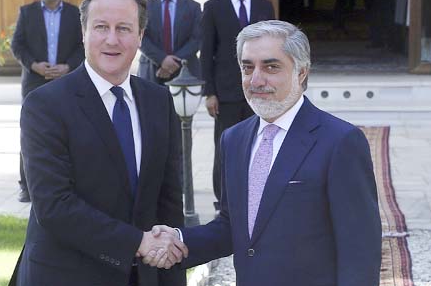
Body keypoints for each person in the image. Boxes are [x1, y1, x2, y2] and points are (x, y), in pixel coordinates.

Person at [148, 20, 383, 286]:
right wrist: (178, 241)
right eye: (248, 67)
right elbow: (232, 227)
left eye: (271, 67)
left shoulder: (340, 142)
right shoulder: (233, 140)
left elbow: (360, 250)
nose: (256, 79)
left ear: (302, 72)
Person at [8, 0, 187, 286]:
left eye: (124, 28)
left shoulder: (158, 101)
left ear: (141, 35)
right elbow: (54, 205)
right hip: (65, 276)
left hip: (140, 276)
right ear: (84, 32)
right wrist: (136, 243)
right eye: (101, 26)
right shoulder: (45, 105)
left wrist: (170, 275)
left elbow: (168, 203)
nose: (112, 39)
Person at [201, 0, 275, 212]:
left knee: (260, 144)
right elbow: (207, 52)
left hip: (260, 90)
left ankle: (256, 194)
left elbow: (274, 50)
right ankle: (223, 200)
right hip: (226, 92)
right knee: (226, 146)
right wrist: (209, 92)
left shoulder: (265, 6)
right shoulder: (213, 6)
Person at [11, 0, 84, 202]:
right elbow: (17, 45)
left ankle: (70, 183)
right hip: (35, 81)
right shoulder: (27, 12)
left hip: (66, 81)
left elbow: (84, 45)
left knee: (71, 131)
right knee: (31, 132)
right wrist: (34, 65)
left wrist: (68, 67)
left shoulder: (75, 14)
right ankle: (27, 186)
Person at [138, 0, 201, 84]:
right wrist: (162, 59)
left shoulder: (193, 7)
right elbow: (139, 36)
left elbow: (197, 38)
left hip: (186, 72)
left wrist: (173, 63)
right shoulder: (144, 7)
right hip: (152, 71)